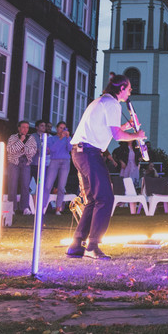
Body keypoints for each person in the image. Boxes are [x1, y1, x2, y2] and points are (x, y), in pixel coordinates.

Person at [66, 73, 146, 260]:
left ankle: (76, 244)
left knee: (94, 199)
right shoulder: (112, 104)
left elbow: (108, 129)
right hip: (89, 152)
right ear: (121, 88)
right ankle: (93, 246)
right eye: (129, 88)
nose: (130, 92)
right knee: (105, 197)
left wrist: (125, 127)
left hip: (80, 151)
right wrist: (137, 135)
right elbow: (117, 136)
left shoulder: (101, 101)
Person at [6, 121, 37, 215]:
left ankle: (25, 207)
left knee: (25, 186)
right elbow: (10, 150)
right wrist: (21, 142)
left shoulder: (31, 138)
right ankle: (12, 208)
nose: (25, 129)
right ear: (19, 128)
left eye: (27, 127)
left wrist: (21, 148)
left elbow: (33, 151)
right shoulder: (13, 137)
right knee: (12, 185)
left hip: (26, 163)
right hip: (13, 163)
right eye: (23, 127)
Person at [46, 121, 73, 215]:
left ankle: (58, 208)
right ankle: (43, 207)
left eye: (64, 128)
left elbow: (70, 149)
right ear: (57, 128)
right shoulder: (52, 139)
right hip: (54, 161)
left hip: (65, 162)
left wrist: (68, 137)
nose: (62, 130)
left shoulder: (67, 138)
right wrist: (60, 138)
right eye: (61, 128)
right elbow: (52, 150)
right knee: (48, 185)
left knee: (61, 186)